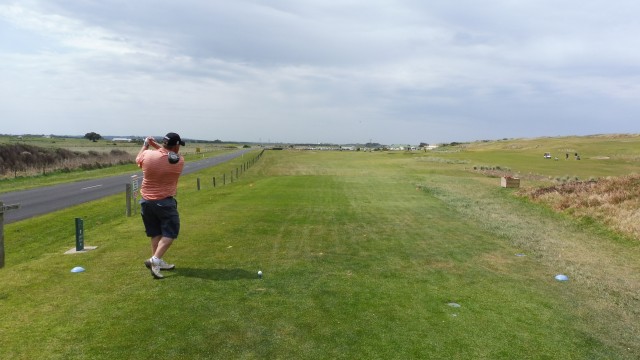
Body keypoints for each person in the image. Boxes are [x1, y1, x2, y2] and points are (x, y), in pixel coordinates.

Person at [136, 132, 185, 279]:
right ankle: (155, 260)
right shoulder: (179, 161)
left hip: (146, 202)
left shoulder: (148, 155)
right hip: (164, 202)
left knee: (156, 232)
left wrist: (146, 144)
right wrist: (155, 145)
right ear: (176, 145)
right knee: (170, 232)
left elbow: (139, 158)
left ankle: (156, 262)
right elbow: (168, 155)